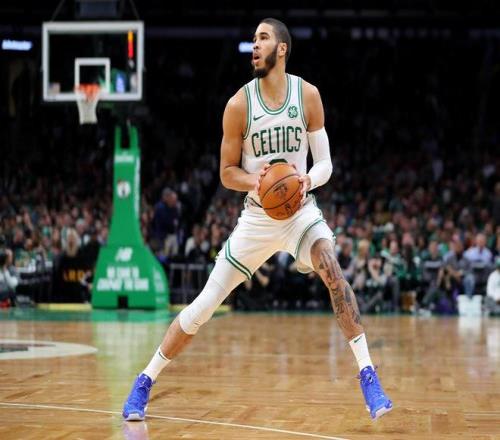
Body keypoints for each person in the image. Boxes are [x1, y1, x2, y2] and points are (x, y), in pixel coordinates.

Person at [123, 18, 392, 421]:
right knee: (202, 307)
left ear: (282, 48)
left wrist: (307, 179)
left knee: (332, 269)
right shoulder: (238, 105)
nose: (254, 45)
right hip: (256, 217)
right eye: (253, 40)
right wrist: (258, 181)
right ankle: (145, 380)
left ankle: (368, 374)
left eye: (263, 39)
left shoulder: (308, 95)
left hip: (299, 210)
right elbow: (226, 173)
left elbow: (325, 164)